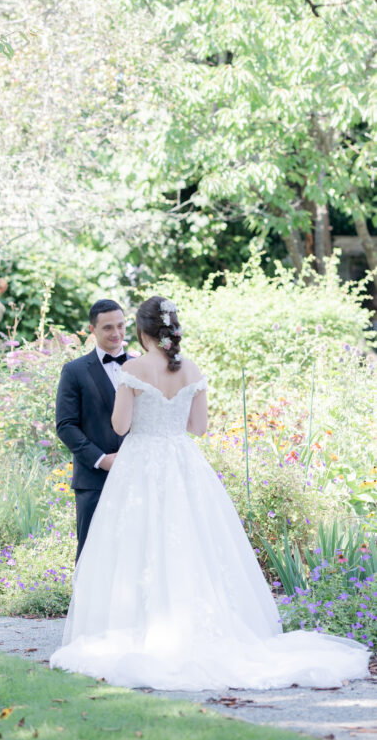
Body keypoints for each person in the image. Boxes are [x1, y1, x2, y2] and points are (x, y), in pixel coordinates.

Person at [50, 295, 369, 690]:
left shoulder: (133, 369)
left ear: (140, 331)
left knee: (137, 542)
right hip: (182, 463)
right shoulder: (192, 369)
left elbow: (119, 427)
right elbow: (198, 428)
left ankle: (141, 626)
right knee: (192, 542)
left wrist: (133, 402)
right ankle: (200, 627)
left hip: (142, 464)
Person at [56, 299, 127, 561]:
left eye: (121, 326)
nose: (116, 333)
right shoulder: (74, 371)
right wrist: (101, 460)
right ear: (91, 330)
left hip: (136, 475)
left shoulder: (141, 368)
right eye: (108, 327)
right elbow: (65, 425)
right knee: (91, 556)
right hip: (93, 480)